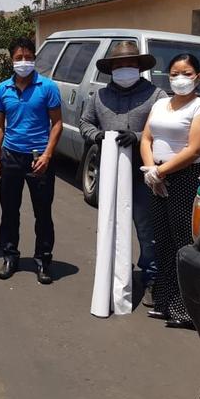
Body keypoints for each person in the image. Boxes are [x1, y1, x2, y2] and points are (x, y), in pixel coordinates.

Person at [79, 41, 167, 305]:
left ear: (139, 67)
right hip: (109, 172)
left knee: (146, 227)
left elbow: (165, 128)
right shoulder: (100, 97)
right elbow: (85, 122)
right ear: (111, 69)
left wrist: (139, 136)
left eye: (129, 64)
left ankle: (152, 277)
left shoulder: (156, 96)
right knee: (110, 224)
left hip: (143, 175)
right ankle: (115, 271)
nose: (124, 69)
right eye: (119, 65)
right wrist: (98, 136)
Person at [140, 53, 200, 328]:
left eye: (185, 73)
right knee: (162, 240)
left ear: (198, 77)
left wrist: (162, 171)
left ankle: (186, 309)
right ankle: (163, 302)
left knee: (183, 242)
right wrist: (151, 171)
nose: (179, 79)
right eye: (174, 73)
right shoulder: (160, 104)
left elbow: (194, 149)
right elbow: (146, 138)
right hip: (154, 176)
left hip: (183, 178)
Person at [0, 37, 63, 284]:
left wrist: (47, 154)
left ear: (34, 58)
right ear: (11, 60)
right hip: (10, 156)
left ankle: (43, 260)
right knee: (9, 211)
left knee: (43, 212)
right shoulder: (3, 89)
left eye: (28, 57)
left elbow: (57, 124)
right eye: (19, 58)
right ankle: (10, 256)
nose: (24, 62)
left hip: (38, 159)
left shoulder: (48, 87)